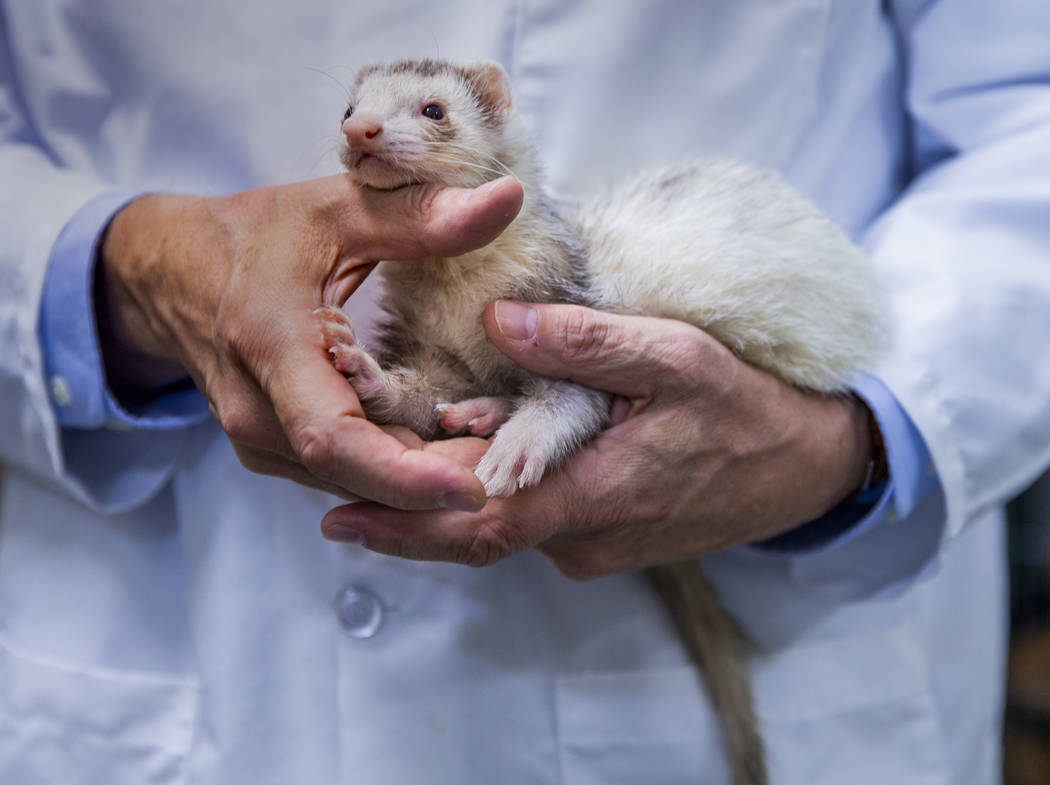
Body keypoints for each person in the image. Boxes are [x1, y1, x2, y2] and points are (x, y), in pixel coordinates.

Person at [1, 2, 1047, 783]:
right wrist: (119, 272)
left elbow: (1027, 111)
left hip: (777, 606)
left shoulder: (538, 263)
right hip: (177, 613)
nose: (365, 130)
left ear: (488, 120)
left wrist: (852, 438)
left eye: (416, 112)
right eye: (358, 112)